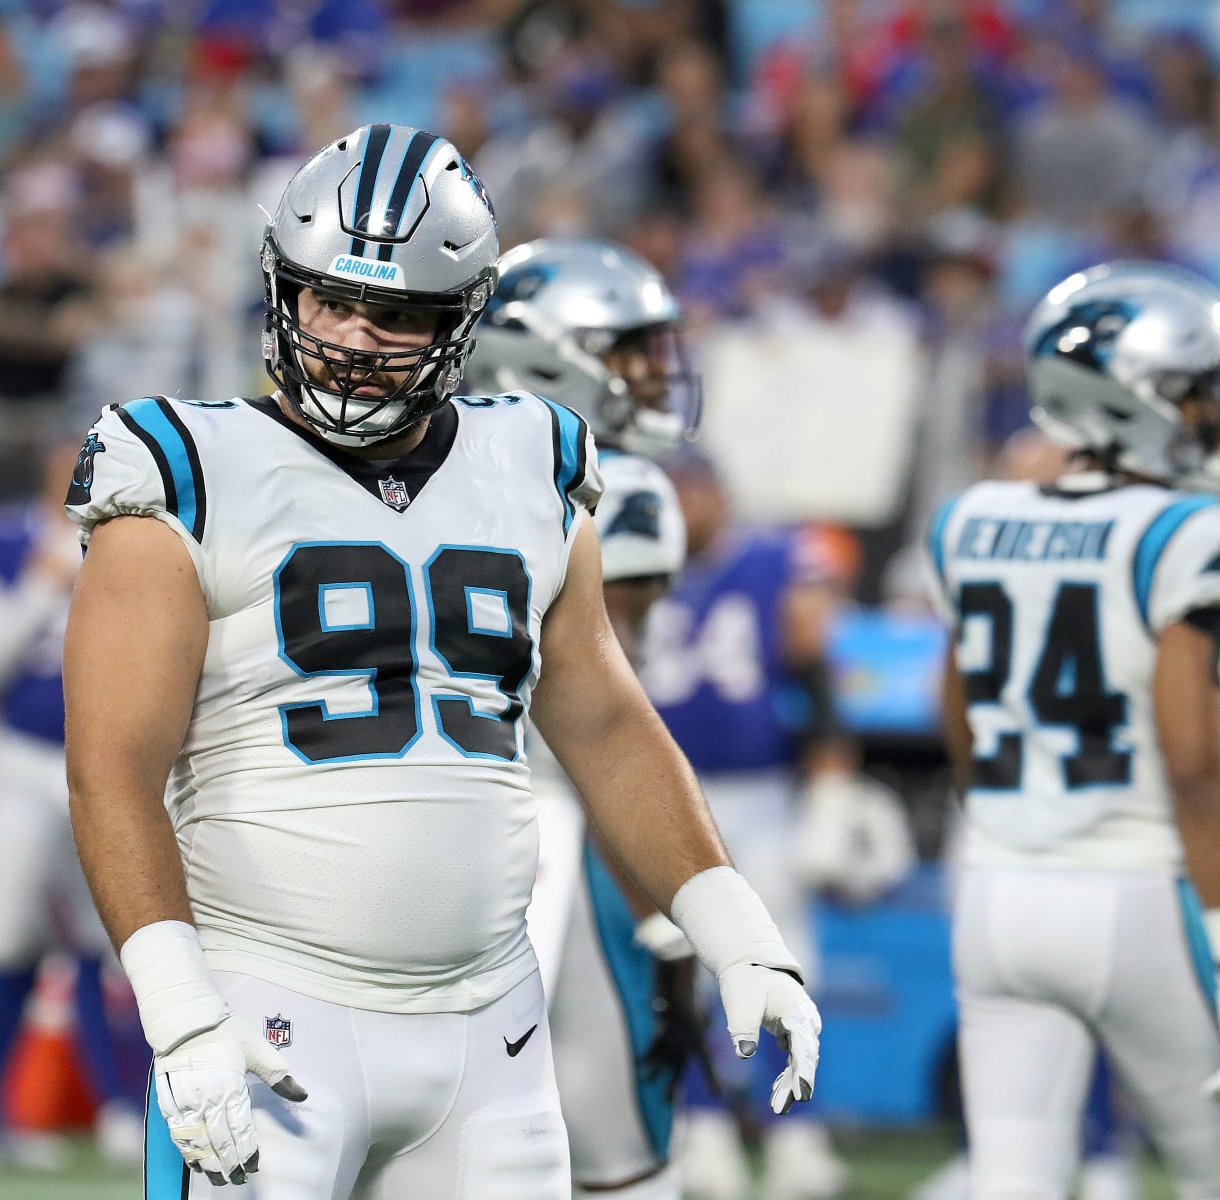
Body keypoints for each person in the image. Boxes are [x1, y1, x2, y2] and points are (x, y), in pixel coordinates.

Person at [62, 122, 821, 1197]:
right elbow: (111, 769)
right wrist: (180, 1009)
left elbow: (604, 722)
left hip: (489, 1030)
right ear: (283, 291)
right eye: (330, 299)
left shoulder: (533, 457)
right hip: (270, 1008)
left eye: (397, 313)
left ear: (461, 323)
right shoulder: (182, 464)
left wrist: (734, 926)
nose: (354, 338)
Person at [928, 260, 1220, 1199]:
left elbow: (961, 717)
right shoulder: (1185, 533)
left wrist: (1015, 823)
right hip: (1140, 889)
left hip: (1000, 893)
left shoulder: (971, 518)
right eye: (1193, 394)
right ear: (1128, 400)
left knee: (1015, 1181)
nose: (1207, 414)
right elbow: (1195, 766)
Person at [466, 236, 705, 1200]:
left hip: (436, 812)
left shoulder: (441, 464)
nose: (652, 373)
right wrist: (669, 911)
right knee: (620, 1164)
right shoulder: (623, 488)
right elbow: (606, 729)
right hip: (566, 841)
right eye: (630, 349)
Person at [637, 452, 890, 1200]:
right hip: (661, 792)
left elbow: (817, 672)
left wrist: (832, 785)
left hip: (759, 791)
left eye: (693, 494)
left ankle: (796, 1131)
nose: (685, 512)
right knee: (678, 966)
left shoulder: (777, 561)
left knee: (786, 961)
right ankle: (704, 1126)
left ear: (718, 493)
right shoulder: (631, 554)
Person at [0, 439, 144, 1175]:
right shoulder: (5, 539)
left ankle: (130, 1109)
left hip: (120, 769)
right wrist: (38, 586)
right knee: (7, 933)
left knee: (121, 943)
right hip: (26, 763)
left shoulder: (149, 536)